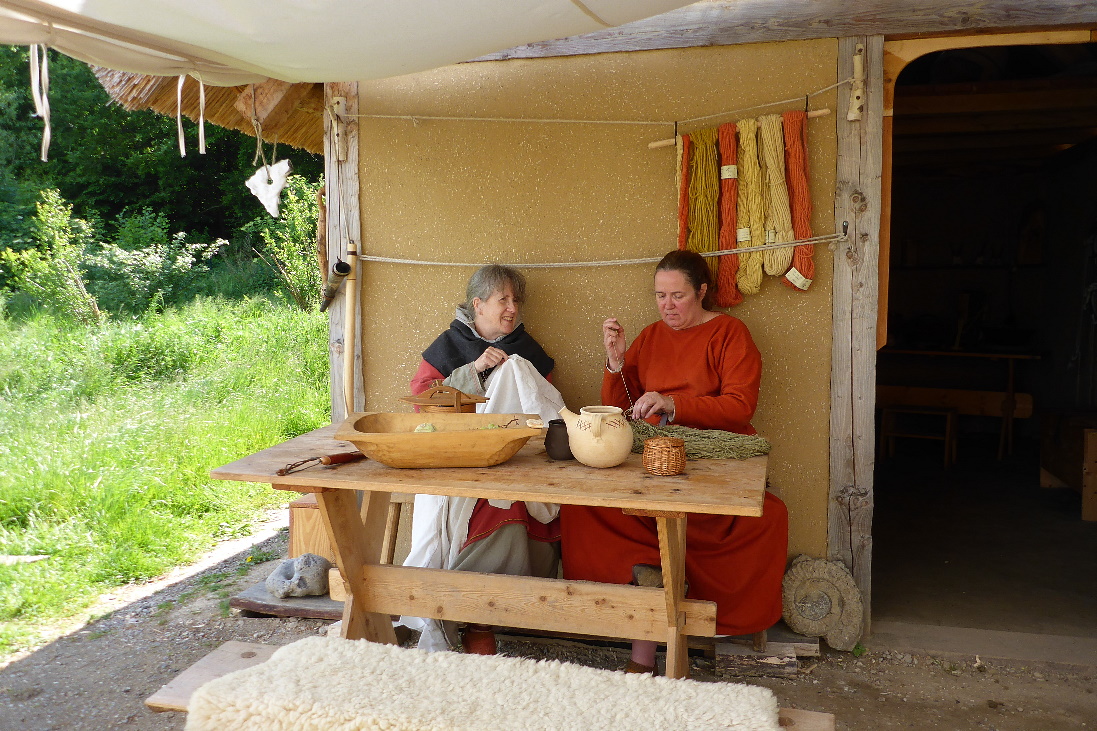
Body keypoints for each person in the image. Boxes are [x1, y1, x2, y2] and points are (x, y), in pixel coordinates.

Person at [560, 249, 788, 675]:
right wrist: (615, 362)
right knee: (584, 507)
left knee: (765, 517)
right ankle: (643, 598)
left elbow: (740, 406)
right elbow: (621, 408)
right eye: (660, 296)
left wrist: (673, 403)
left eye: (677, 296)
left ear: (701, 291)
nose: (667, 305)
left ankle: (672, 627)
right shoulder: (650, 337)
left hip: (712, 458)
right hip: (653, 457)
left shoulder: (730, 333)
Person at [403, 264, 564, 655]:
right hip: (458, 464)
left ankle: (481, 622)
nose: (512, 308)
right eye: (502, 299)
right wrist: (473, 370)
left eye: (516, 300)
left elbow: (545, 410)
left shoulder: (526, 350)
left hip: (515, 466)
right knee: (465, 516)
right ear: (478, 304)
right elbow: (423, 405)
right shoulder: (448, 346)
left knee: (512, 509)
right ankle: (455, 615)